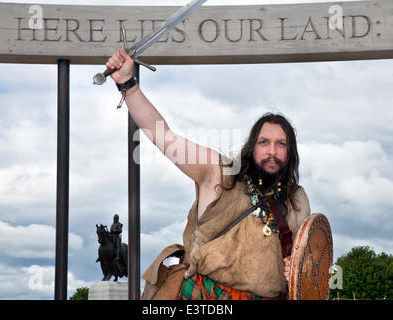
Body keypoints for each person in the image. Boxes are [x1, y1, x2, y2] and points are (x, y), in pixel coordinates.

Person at [106, 49, 311, 300]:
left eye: (281, 144)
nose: (272, 151)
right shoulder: (220, 173)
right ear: (252, 146)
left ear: (291, 152)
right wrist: (128, 85)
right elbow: (165, 137)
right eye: (264, 142)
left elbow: (310, 267)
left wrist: (300, 273)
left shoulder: (297, 200)